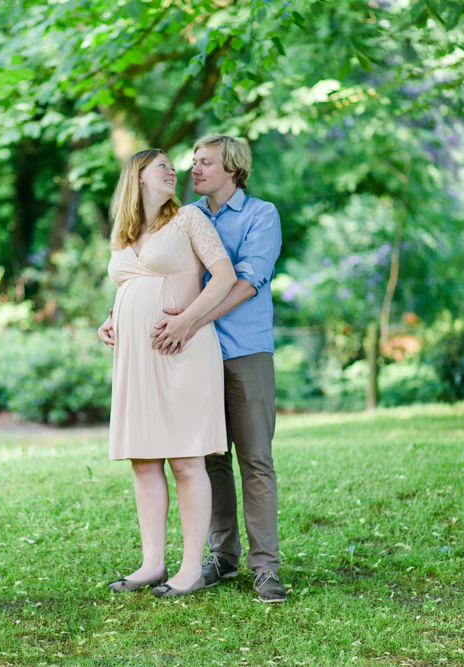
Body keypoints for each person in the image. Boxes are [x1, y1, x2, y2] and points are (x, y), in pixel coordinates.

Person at [99, 135, 287, 604]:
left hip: (240, 349)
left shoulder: (259, 215)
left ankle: (265, 568)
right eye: (191, 162)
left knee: (255, 460)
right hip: (181, 355)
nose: (192, 169)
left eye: (204, 162)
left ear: (232, 168)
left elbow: (243, 282)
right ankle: (221, 558)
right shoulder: (189, 216)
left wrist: (187, 322)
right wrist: (118, 315)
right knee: (206, 458)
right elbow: (153, 276)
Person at [99, 148, 237, 598]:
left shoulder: (190, 220)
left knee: (184, 458)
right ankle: (152, 563)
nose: (173, 171)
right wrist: (114, 316)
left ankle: (190, 569)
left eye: (172, 168)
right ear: (138, 177)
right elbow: (131, 283)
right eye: (162, 166)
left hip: (182, 350)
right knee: (144, 458)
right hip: (137, 358)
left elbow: (223, 276)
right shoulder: (124, 231)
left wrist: (185, 321)